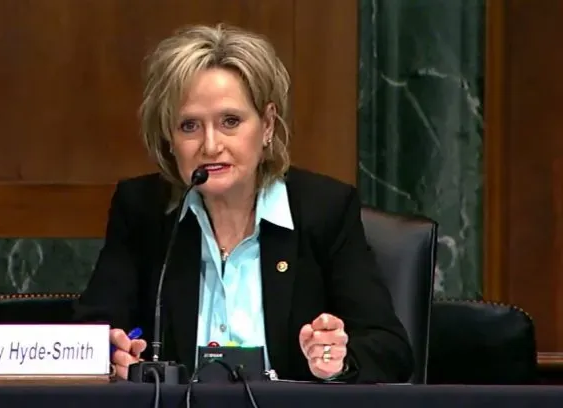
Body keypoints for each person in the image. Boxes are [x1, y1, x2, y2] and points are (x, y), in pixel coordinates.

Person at [74, 23, 413, 383]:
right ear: (169, 138)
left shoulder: (324, 209)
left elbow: (390, 350)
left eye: (230, 121)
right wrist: (111, 354)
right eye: (189, 126)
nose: (210, 146)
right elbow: (92, 333)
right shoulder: (143, 210)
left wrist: (337, 361)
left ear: (267, 125)